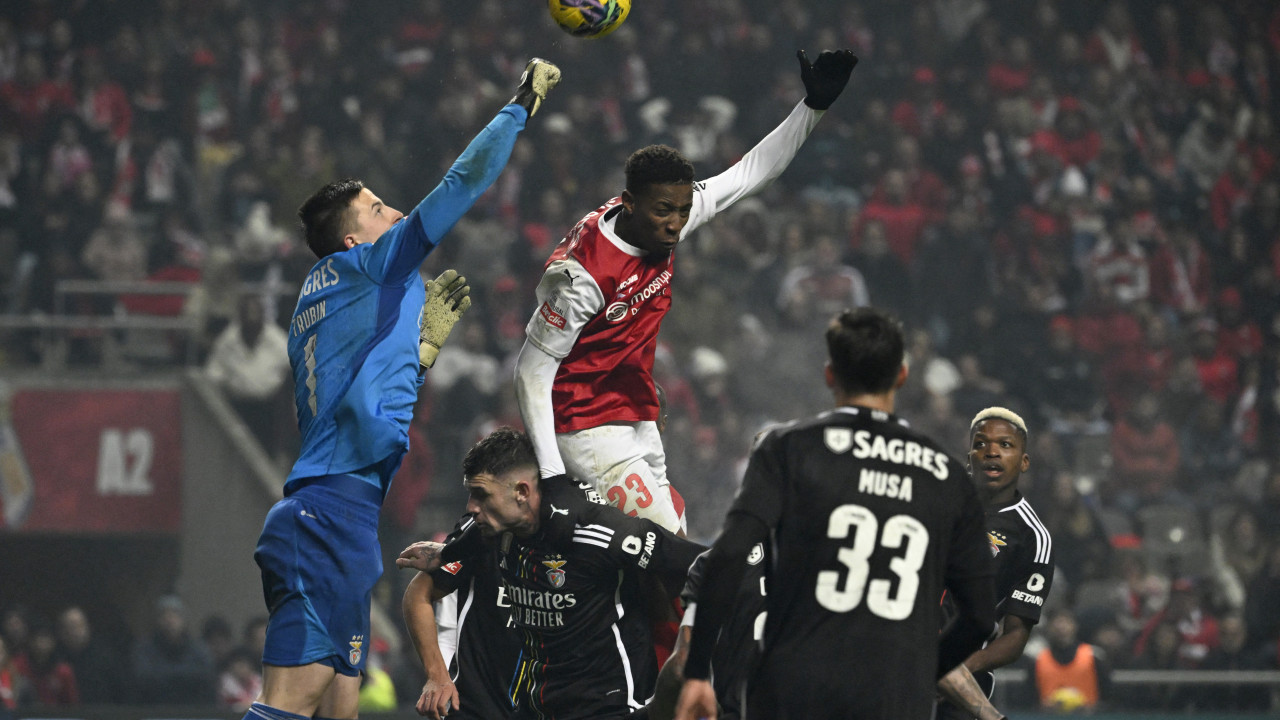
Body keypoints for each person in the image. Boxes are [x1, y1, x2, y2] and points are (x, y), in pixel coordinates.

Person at [245, 59, 561, 720]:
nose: (398, 215)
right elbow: (462, 183)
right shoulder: (365, 266)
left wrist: (417, 355)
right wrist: (519, 107)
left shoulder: (322, 299)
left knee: (340, 710)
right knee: (288, 705)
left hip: (344, 514)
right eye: (381, 209)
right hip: (327, 514)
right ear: (355, 239)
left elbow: (355, 397)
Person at [514, 49, 858, 533]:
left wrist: (812, 107)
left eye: (682, 210)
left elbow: (750, 173)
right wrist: (552, 479)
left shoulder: (666, 211)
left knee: (662, 546)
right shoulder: (582, 276)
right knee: (669, 554)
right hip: (587, 426)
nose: (676, 224)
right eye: (664, 212)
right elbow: (531, 371)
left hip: (635, 412)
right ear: (629, 203)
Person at [674, 308, 997, 720]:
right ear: (901, 375)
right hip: (894, 700)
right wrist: (923, 672)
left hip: (794, 691)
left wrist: (699, 672)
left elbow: (730, 554)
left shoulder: (788, 448)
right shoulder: (946, 474)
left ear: (830, 375)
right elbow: (981, 616)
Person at [397, 428, 706, 720]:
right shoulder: (487, 532)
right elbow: (422, 589)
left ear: (521, 491)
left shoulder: (598, 531)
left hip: (605, 704)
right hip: (538, 703)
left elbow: (702, 565)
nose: (472, 507)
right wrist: (445, 553)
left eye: (481, 494)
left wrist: (692, 641)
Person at [936, 407, 1055, 720]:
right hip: (896, 665)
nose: (991, 452)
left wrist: (965, 666)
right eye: (981, 444)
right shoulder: (933, 502)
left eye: (1005, 445)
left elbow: (1016, 634)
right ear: (969, 456)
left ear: (1024, 461)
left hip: (960, 693)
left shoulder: (1033, 537)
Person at [401, 516, 521, 720]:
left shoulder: (577, 536)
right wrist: (438, 675)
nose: (472, 507)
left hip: (543, 700)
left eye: (480, 494)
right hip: (477, 703)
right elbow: (422, 598)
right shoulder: (480, 532)